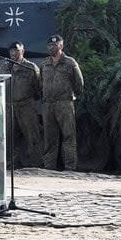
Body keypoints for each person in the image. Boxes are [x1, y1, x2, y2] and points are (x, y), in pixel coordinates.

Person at [40, 34, 83, 170]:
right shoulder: (44, 64)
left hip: (64, 103)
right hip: (48, 104)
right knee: (49, 137)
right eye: (50, 45)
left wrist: (70, 96)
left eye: (55, 45)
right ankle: (49, 167)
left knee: (68, 136)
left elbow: (79, 83)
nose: (51, 48)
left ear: (61, 46)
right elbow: (40, 82)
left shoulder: (70, 63)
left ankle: (70, 167)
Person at [0, 41, 43, 169]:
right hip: (9, 106)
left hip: (26, 105)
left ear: (22, 51)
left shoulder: (31, 67)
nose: (14, 53)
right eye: (12, 51)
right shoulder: (5, 67)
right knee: (9, 136)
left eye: (17, 50)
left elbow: (38, 87)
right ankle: (11, 164)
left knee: (32, 135)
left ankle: (37, 163)